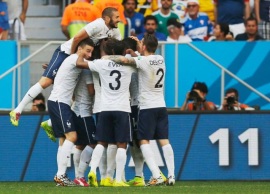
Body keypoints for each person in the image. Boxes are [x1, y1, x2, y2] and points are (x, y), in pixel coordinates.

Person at [9, 7, 122, 127]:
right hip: (66, 53)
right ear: (107, 18)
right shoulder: (98, 24)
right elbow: (78, 37)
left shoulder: (115, 32)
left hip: (83, 59)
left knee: (77, 92)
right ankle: (17, 110)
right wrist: (70, 60)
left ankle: (50, 123)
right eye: (117, 17)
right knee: (46, 82)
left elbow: (119, 47)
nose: (119, 20)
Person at [104, 34, 175, 186]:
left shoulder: (139, 61)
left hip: (141, 105)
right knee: (158, 141)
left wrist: (106, 58)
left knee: (139, 141)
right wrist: (138, 49)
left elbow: (126, 60)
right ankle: (170, 174)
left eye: (142, 43)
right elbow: (143, 59)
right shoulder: (160, 58)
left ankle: (150, 175)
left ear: (144, 47)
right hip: (160, 105)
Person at [76, 38, 136, 187]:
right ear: (119, 51)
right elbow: (141, 59)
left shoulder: (101, 63)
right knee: (121, 144)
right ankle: (117, 180)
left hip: (105, 108)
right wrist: (133, 51)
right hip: (122, 108)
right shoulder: (128, 63)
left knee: (101, 142)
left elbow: (79, 63)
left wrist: (79, 51)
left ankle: (92, 170)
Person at [48, 38, 94, 186]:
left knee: (64, 140)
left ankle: (60, 176)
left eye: (92, 52)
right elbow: (86, 66)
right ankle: (61, 175)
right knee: (72, 137)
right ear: (79, 49)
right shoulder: (75, 59)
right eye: (87, 51)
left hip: (61, 102)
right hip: (59, 102)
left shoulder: (72, 60)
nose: (89, 54)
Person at [72, 69, 97, 187]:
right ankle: (80, 176)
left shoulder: (78, 71)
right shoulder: (87, 72)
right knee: (92, 143)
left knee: (80, 144)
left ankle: (77, 176)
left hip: (77, 110)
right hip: (84, 113)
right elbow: (91, 91)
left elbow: (72, 95)